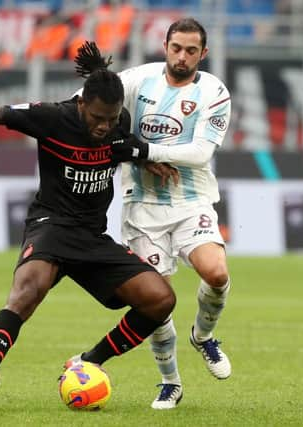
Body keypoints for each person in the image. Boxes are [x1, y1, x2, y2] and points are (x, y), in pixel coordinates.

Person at [0, 44, 177, 409]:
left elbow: (124, 146)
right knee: (26, 293)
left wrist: (149, 161)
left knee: (161, 300)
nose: (103, 125)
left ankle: (90, 361)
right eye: (97, 117)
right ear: (81, 104)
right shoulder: (50, 117)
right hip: (51, 226)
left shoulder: (117, 122)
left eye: (110, 119)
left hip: (93, 237)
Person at [84, 18, 233, 409]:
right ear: (164, 45)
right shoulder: (139, 80)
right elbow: (88, 105)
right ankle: (171, 382)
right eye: (176, 48)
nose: (182, 57)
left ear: (204, 53)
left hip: (191, 200)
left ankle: (202, 337)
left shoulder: (214, 92)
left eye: (190, 51)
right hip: (143, 207)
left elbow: (201, 153)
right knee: (157, 298)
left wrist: (143, 152)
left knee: (216, 273)